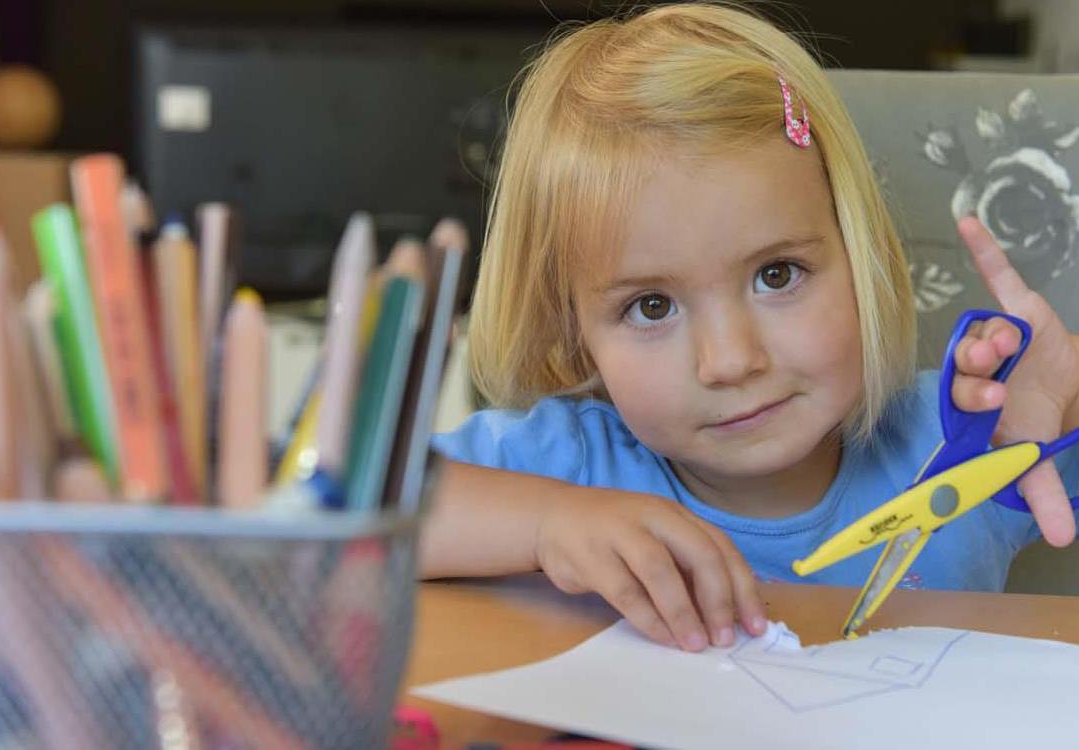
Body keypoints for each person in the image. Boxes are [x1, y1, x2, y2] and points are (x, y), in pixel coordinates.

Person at [419, 2, 1079, 654]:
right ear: (571, 334)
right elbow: (344, 512)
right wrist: (545, 525)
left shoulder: (970, 438)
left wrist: (1057, 405)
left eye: (776, 275)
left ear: (862, 259)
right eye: (651, 307)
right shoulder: (566, 469)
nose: (730, 361)